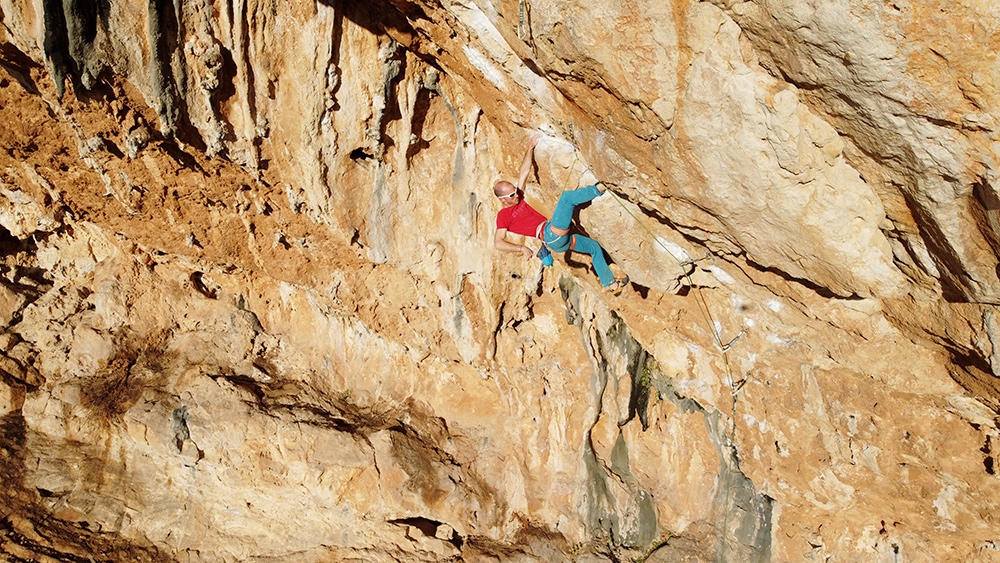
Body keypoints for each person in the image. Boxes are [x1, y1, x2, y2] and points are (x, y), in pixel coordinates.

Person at [493, 133, 629, 296]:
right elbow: (498, 243)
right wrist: (522, 248)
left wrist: (530, 147)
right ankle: (601, 187)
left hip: (558, 243)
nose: (516, 195)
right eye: (511, 195)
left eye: (515, 191)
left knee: (594, 247)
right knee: (567, 199)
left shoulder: (518, 197)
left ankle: (613, 286)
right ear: (502, 200)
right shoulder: (504, 215)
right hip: (550, 235)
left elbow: (524, 172)